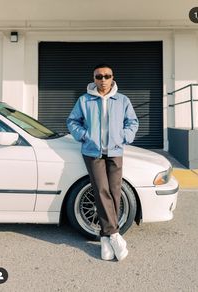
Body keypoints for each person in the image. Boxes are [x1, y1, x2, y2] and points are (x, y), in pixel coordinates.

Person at [67, 64, 139, 261]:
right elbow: (72, 121)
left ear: (112, 77)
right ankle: (115, 235)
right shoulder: (84, 100)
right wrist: (85, 136)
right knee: (101, 190)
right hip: (92, 152)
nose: (103, 80)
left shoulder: (122, 100)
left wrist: (123, 136)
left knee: (115, 192)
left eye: (107, 76)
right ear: (94, 78)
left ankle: (105, 238)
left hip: (115, 151)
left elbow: (132, 122)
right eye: (99, 76)